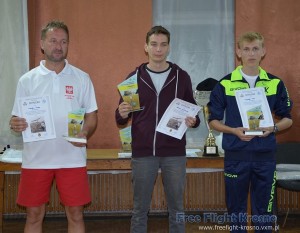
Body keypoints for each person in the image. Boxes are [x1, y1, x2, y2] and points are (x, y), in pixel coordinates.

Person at [9, 20, 98, 233]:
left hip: (72, 157)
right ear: (42, 44)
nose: (58, 46)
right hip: (36, 159)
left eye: (63, 41)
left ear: (68, 45)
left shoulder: (82, 78)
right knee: (33, 215)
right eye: (53, 41)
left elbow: (92, 116)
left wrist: (85, 132)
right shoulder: (27, 80)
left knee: (76, 213)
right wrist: (15, 123)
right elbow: (16, 118)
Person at [115, 25, 200, 233]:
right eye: (154, 44)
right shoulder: (134, 77)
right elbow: (120, 118)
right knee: (139, 209)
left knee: (177, 208)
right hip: (143, 153)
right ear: (146, 47)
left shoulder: (182, 76)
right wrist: (122, 112)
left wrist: (193, 121)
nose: (158, 49)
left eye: (163, 45)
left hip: (174, 153)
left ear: (169, 47)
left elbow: (194, 113)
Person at [207, 32, 293, 232]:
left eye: (255, 48)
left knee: (264, 212)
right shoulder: (225, 84)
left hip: (265, 157)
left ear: (263, 51)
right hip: (236, 156)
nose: (251, 53)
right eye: (246, 49)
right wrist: (233, 131)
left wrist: (272, 128)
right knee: (236, 210)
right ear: (238, 52)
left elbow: (287, 119)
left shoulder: (275, 83)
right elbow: (213, 121)